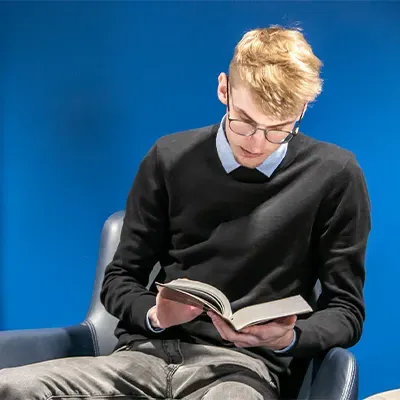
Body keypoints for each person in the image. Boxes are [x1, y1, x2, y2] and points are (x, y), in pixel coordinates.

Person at [0, 25, 371, 400]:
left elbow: (346, 310)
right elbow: (119, 280)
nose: (257, 143)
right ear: (223, 88)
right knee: (11, 387)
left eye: (278, 130)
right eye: (244, 121)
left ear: (303, 109)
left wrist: (287, 338)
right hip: (140, 359)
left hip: (241, 370)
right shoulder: (169, 157)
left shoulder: (335, 175)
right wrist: (156, 315)